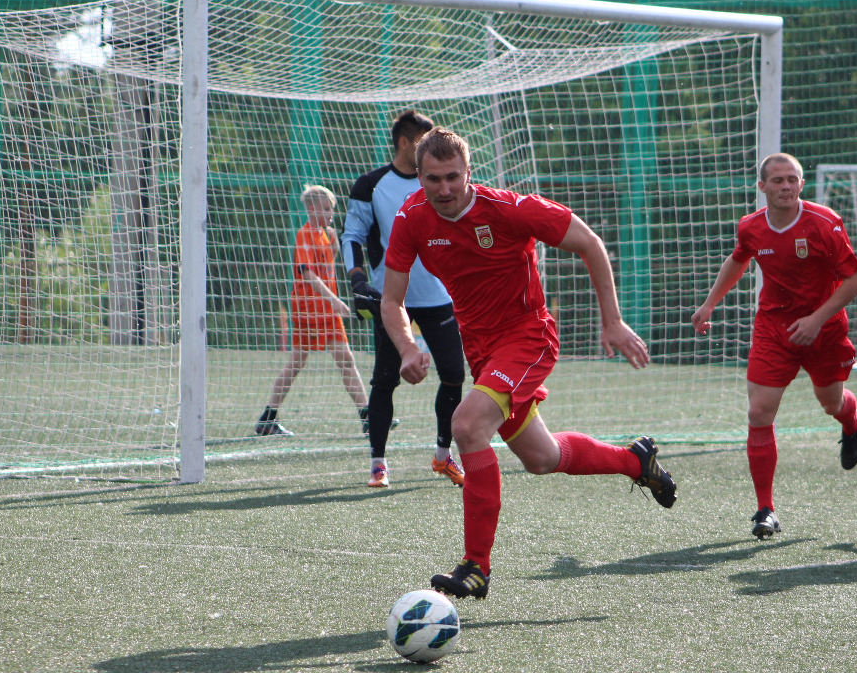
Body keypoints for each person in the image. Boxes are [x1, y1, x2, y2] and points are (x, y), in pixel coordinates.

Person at [381, 127, 677, 600]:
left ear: (469, 172)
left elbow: (589, 242)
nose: (444, 189)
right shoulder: (411, 218)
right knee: (542, 458)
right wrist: (407, 347)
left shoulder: (509, 209)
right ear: (419, 177)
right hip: (483, 351)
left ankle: (476, 567)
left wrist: (613, 321)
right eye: (433, 179)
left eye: (453, 177)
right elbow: (392, 300)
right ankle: (634, 460)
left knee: (467, 426)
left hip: (527, 337)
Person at [692, 153, 857, 540]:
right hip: (774, 329)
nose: (786, 186)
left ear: (801, 184)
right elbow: (739, 259)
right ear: (762, 186)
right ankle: (765, 510)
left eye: (792, 180)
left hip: (824, 330)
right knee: (759, 412)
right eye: (777, 180)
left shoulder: (824, 222)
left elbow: (855, 280)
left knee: (830, 403)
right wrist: (709, 304)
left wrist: (816, 319)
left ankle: (852, 423)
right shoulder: (751, 226)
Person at [342, 110, 467, 489]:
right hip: (390, 299)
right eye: (423, 142)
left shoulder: (441, 186)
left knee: (454, 375)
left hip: (439, 297)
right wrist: (358, 279)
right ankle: (378, 465)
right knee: (384, 380)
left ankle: (443, 455)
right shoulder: (371, 185)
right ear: (404, 143)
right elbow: (352, 236)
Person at [255, 185, 370, 437]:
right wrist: (334, 300)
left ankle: (367, 416)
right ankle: (268, 417)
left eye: (331, 209)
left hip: (324, 309)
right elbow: (308, 274)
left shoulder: (325, 234)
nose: (331, 214)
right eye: (326, 208)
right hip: (309, 309)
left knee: (342, 359)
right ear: (311, 208)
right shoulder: (304, 234)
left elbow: (325, 263)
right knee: (303, 361)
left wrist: (334, 246)